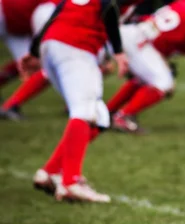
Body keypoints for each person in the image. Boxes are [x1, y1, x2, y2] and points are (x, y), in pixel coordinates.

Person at [22, 0, 135, 203]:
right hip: (76, 45)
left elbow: (58, 11)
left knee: (99, 116)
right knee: (84, 111)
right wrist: (118, 51)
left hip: (53, 43)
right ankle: (70, 182)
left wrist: (34, 49)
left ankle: (50, 171)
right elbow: (109, 4)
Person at [108, 0, 185, 139]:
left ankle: (109, 112)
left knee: (146, 79)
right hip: (140, 42)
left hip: (133, 33)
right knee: (164, 83)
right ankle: (123, 117)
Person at [0, 0, 59, 120]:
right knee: (48, 64)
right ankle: (10, 107)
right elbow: (44, 13)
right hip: (4, 13)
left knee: (31, 65)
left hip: (19, 28)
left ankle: (10, 107)